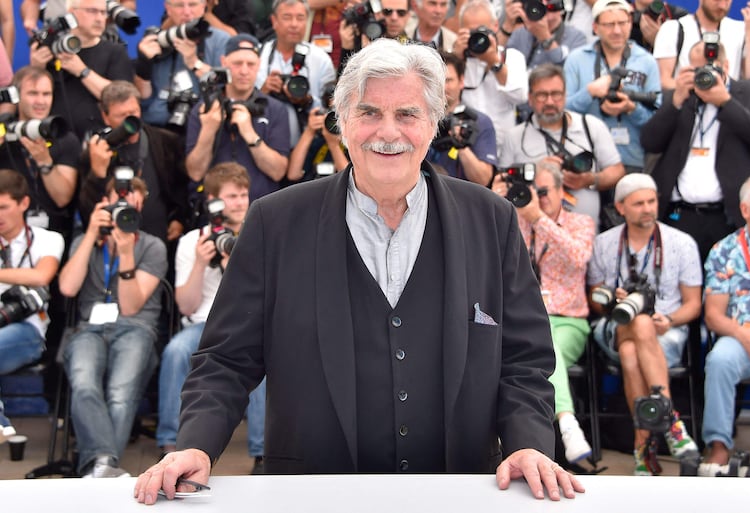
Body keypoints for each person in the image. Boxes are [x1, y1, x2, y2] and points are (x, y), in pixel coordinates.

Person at [134, 38, 584, 504]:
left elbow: (524, 359)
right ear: (342, 121)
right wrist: (195, 444)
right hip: (313, 495)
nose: (387, 132)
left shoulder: (493, 219)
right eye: (369, 112)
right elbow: (226, 359)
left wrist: (528, 443)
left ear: (434, 124)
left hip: (460, 492)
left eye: (407, 114)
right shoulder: (274, 222)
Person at [156, 162, 267, 473]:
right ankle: (171, 445)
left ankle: (262, 452)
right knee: (176, 351)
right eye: (231, 196)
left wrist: (239, 265)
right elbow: (186, 306)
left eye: (244, 194)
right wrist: (200, 265)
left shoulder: (262, 232)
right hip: (202, 323)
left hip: (251, 324)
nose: (240, 202)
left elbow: (270, 297)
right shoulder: (193, 240)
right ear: (214, 201)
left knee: (263, 355)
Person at [587, 173, 701, 476]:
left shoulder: (681, 243)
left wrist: (670, 319)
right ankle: (672, 423)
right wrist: (612, 300)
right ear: (621, 207)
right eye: (639, 203)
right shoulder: (604, 243)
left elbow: (693, 304)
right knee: (637, 323)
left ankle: (642, 449)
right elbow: (595, 299)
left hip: (667, 329)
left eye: (652, 201)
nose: (648, 208)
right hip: (613, 324)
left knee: (631, 351)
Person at [59, 175, 167, 478]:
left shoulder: (153, 246)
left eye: (130, 199)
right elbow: (67, 287)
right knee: (83, 382)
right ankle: (104, 464)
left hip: (135, 327)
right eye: (117, 199)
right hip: (89, 328)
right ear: (104, 203)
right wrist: (91, 233)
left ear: (140, 204)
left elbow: (132, 306)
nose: (123, 205)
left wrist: (126, 253)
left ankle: (98, 467)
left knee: (120, 393)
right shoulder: (87, 240)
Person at [492, 160, 595, 464]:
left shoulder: (580, 223)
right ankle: (566, 424)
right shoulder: (511, 221)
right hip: (521, 323)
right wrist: (496, 202)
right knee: (529, 338)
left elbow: (579, 257)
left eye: (544, 191)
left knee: (546, 338)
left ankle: (566, 421)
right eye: (531, 190)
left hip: (568, 322)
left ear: (563, 191)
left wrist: (538, 217)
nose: (537, 197)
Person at [640, 41, 750, 263]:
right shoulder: (680, 96)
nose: (705, 76)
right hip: (680, 215)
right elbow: (650, 142)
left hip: (728, 217)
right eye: (698, 70)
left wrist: (725, 102)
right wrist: (676, 102)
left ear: (726, 66)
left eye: (712, 69)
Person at [700, 173, 750, 474]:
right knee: (719, 360)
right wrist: (746, 336)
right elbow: (714, 315)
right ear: (746, 210)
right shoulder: (723, 251)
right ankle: (719, 446)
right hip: (739, 336)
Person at [503, 63, 625, 225]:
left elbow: (617, 171)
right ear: (530, 98)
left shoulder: (591, 126)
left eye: (556, 94)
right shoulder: (515, 136)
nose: (550, 101)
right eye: (541, 95)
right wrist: (535, 172)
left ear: (565, 95)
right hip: (530, 234)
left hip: (583, 236)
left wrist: (589, 179)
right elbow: (502, 182)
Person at [80, 81, 190, 245]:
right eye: (121, 116)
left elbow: (181, 186)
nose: (130, 122)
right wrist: (97, 173)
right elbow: (86, 209)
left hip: (159, 238)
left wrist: (179, 218)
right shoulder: (95, 151)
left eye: (134, 112)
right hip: (114, 240)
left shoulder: (165, 141)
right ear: (105, 117)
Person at [0, 169, 65, 443]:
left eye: (3, 207)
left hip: (27, 331)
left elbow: (42, 276)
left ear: (23, 203)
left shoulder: (47, 238)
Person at [186, 34, 290, 201]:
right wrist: (209, 130)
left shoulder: (275, 109)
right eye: (237, 64)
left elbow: (278, 172)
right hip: (215, 212)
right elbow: (195, 172)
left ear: (259, 66)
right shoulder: (203, 108)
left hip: (261, 210)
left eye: (250, 64)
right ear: (224, 62)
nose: (244, 71)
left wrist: (250, 134)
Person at [564, 0, 661, 175]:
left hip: (632, 158)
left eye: (622, 23)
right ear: (595, 27)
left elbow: (658, 121)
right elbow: (562, 111)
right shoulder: (576, 59)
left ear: (631, 24)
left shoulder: (647, 61)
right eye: (609, 24)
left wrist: (631, 108)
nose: (617, 30)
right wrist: (590, 92)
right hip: (587, 160)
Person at [28, 0, 135, 138]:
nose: (99, 18)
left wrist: (83, 71)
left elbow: (122, 98)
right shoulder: (51, 48)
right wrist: (36, 68)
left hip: (100, 139)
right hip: (56, 135)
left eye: (103, 12)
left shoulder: (115, 52)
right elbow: (30, 98)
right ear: (71, 13)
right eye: (92, 11)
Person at [0, 67, 79, 239]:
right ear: (17, 96)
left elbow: (62, 198)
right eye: (33, 93)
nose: (40, 101)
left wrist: (44, 162)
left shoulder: (65, 138)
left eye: (46, 94)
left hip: (53, 236)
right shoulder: (2, 133)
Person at [134, 0, 230, 129]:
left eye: (192, 4)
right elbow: (143, 96)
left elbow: (227, 84)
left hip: (202, 125)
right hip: (157, 126)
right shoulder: (159, 39)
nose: (186, 12)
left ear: (203, 7)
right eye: (179, 5)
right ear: (168, 9)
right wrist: (144, 64)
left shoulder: (220, 40)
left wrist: (194, 62)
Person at [452, 0, 528, 162]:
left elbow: (520, 97)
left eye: (482, 30)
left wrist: (494, 62)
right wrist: (456, 60)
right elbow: (443, 97)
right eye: (471, 32)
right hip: (466, 150)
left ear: (495, 26)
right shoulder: (456, 60)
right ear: (461, 31)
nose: (477, 38)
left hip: (505, 150)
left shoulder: (512, 57)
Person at [257, 0, 336, 146]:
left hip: (311, 141)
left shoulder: (321, 59)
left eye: (300, 18)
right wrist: (263, 91)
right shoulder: (259, 56)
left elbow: (330, 109)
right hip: (264, 137)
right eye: (287, 17)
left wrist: (306, 100)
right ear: (274, 21)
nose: (294, 24)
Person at [653, 0, 750, 89]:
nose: (722, 6)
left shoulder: (741, 30)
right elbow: (662, 81)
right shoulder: (673, 28)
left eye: (727, 1)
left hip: (727, 111)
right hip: (687, 109)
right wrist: (701, 85)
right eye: (716, 0)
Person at [427, 52, 497, 186]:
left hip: (461, 199)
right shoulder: (417, 119)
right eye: (438, 80)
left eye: (448, 80)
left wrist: (461, 144)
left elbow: (484, 180)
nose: (443, 87)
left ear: (462, 81)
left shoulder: (479, 121)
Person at [505, 0, 587, 71]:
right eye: (539, 4)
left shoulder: (577, 37)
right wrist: (507, 25)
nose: (544, 10)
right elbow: (499, 59)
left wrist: (545, 38)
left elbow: (572, 69)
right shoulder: (521, 32)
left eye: (550, 6)